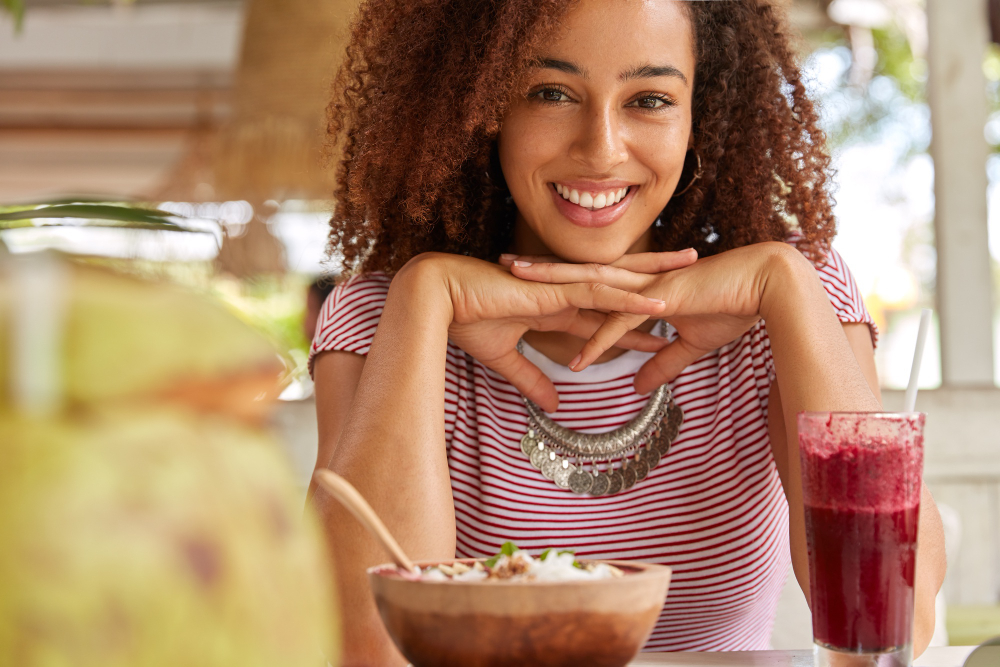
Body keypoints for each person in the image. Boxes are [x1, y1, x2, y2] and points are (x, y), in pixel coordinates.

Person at [308, 0, 947, 664]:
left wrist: (784, 284)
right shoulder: (383, 317)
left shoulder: (791, 298)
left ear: (702, 115)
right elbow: (366, 649)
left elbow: (892, 623)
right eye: (551, 92)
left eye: (649, 98)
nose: (601, 149)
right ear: (483, 102)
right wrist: (423, 298)